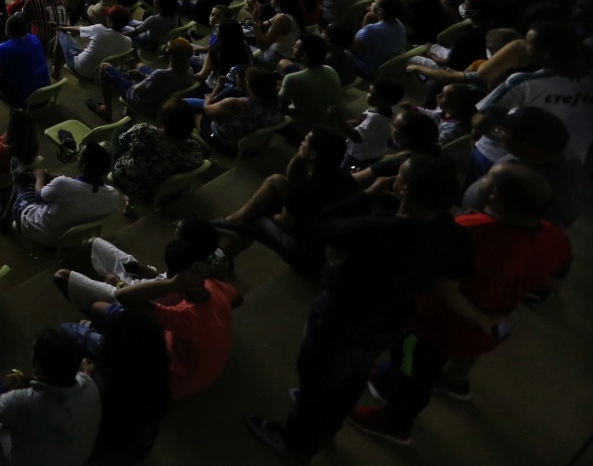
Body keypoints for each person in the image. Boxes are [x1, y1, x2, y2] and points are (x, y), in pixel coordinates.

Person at [244, 155, 471, 457]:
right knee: (353, 377)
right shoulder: (451, 230)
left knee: (316, 377)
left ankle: (295, 441)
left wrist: (365, 195)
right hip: (391, 318)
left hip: (343, 314)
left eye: (400, 175)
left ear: (404, 189)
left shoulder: (375, 228)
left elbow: (317, 225)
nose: (394, 177)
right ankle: (329, 427)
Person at [351, 161, 571, 443]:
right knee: (421, 363)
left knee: (413, 370)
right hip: (490, 327)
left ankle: (395, 422)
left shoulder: (467, 230)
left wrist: (480, 315)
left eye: (487, 179)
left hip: (435, 326)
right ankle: (393, 378)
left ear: (492, 193)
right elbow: (552, 283)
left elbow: (445, 287)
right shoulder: (555, 236)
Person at [55, 236, 243, 400]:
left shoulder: (184, 316)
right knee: (103, 313)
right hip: (203, 368)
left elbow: (123, 297)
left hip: (169, 382)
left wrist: (171, 284)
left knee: (68, 329)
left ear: (174, 278)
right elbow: (238, 300)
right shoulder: (216, 287)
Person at [0, 328, 101, 465]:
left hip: (20, 458)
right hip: (69, 455)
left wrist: (11, 391)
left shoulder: (28, 402)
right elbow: (75, 379)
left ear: (38, 370)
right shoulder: (89, 385)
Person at [3, 144, 121, 248]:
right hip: (70, 242)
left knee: (21, 177)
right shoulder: (113, 196)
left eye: (80, 156)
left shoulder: (64, 185)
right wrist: (50, 176)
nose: (78, 158)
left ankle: (5, 219)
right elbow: (78, 187)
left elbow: (40, 195)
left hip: (35, 229)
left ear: (84, 165)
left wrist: (39, 176)